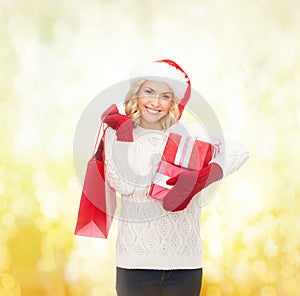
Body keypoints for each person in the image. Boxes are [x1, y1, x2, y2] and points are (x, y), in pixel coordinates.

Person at [100, 60, 249, 296]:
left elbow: (240, 151)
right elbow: (122, 183)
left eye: (165, 96)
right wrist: (125, 137)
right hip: (136, 262)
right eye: (149, 92)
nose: (155, 103)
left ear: (173, 102)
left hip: (185, 262)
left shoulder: (190, 134)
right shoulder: (118, 132)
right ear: (136, 93)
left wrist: (202, 177)